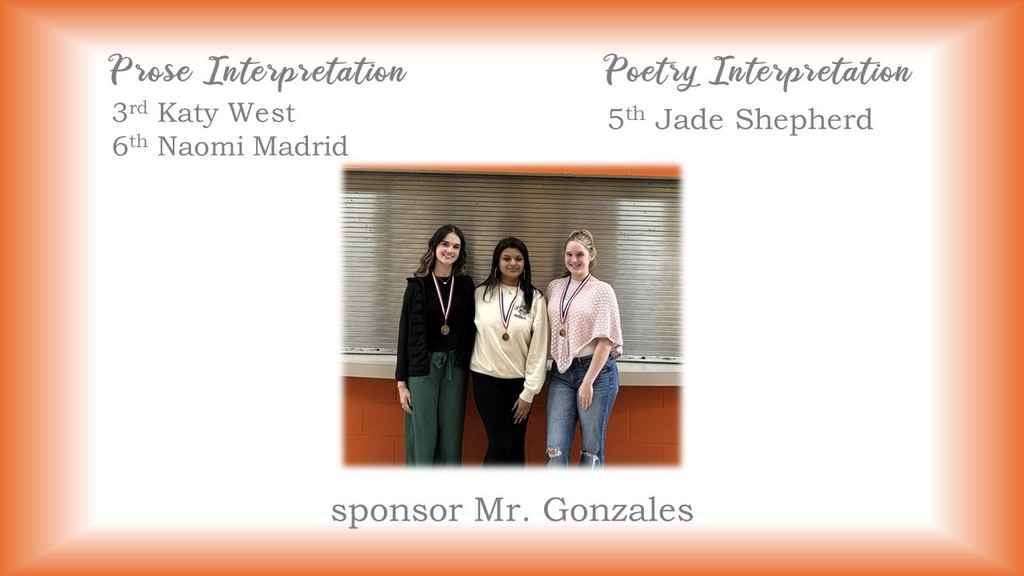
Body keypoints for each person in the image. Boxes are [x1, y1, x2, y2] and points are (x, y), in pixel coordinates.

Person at [396, 224, 476, 465]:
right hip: (423, 368)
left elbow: (473, 328)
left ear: (460, 253)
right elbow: (404, 334)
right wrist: (401, 384)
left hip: (455, 368)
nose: (449, 250)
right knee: (422, 435)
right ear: (434, 246)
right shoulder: (417, 286)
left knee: (451, 435)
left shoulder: (465, 285)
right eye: (445, 244)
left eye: (455, 246)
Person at [544, 229, 623, 468]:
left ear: (592, 255)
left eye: (580, 254)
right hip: (561, 373)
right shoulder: (555, 287)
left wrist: (588, 381)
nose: (573, 260)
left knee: (590, 451)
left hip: (595, 375)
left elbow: (606, 340)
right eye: (569, 254)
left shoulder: (602, 291)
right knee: (554, 448)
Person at [470, 238, 550, 465]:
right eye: (506, 258)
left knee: (516, 448)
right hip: (487, 381)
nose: (512, 263)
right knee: (500, 445)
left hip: (519, 385)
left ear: (525, 263)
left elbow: (539, 349)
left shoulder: (535, 299)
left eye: (518, 258)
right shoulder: (480, 295)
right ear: (497, 261)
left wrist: (529, 392)